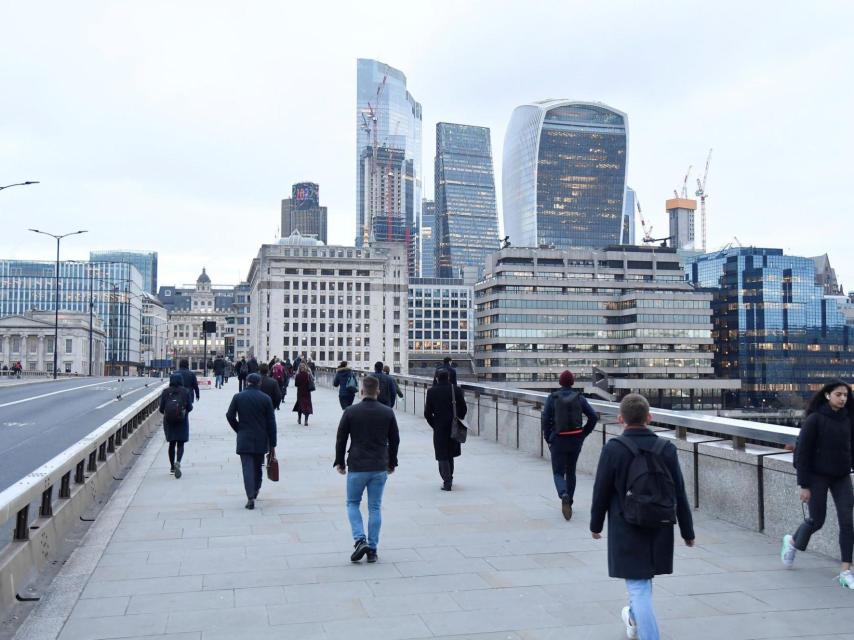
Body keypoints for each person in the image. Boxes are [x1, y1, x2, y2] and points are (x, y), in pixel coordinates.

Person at [590, 393, 694, 640]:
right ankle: (634, 617)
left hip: (626, 526)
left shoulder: (614, 449)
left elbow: (601, 491)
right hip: (659, 526)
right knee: (643, 584)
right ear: (649, 417)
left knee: (638, 586)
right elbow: (679, 491)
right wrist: (687, 531)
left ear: (620, 419)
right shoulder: (665, 448)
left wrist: (596, 525)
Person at [781, 380, 854, 588]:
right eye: (839, 394)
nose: (843, 399)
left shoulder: (849, 419)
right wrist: (803, 485)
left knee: (847, 522)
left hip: (841, 476)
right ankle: (793, 542)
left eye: (846, 395)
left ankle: (845, 570)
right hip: (817, 476)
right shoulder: (815, 420)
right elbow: (802, 454)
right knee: (817, 520)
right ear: (827, 395)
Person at [334, 375, 399, 564]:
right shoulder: (387, 412)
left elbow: (341, 439)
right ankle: (372, 549)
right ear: (377, 391)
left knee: (352, 503)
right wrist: (392, 462)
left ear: (361, 391)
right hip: (379, 465)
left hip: (357, 464)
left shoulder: (350, 411)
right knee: (375, 507)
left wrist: (340, 461)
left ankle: (359, 539)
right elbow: (395, 440)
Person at [541, 370, 599, 520]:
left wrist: (548, 438)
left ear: (560, 382)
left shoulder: (552, 398)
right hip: (575, 440)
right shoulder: (580, 398)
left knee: (558, 472)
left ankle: (563, 494)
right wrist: (583, 433)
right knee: (571, 471)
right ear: (572, 382)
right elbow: (593, 416)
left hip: (558, 440)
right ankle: (570, 502)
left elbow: (545, 419)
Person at [226, 373, 277, 510]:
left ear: (247, 382)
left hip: (244, 437)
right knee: (258, 466)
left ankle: (250, 497)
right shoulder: (266, 399)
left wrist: (239, 429)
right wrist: (273, 443)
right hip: (261, 438)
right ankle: (256, 489)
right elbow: (271, 423)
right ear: (259, 383)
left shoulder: (238, 397)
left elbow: (229, 415)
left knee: (247, 468)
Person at [424, 369, 467, 491]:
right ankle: (450, 478)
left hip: (439, 426)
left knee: (442, 453)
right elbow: (463, 408)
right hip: (453, 425)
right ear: (448, 377)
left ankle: (447, 480)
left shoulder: (431, 392)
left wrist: (434, 424)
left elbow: (427, 413)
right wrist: (458, 420)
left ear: (437, 378)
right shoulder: (456, 390)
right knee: (450, 453)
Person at [158, 372, 192, 478]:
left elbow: (161, 409)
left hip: (169, 422)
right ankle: (178, 461)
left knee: (171, 444)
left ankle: (172, 467)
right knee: (180, 444)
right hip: (182, 421)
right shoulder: (185, 392)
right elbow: (190, 407)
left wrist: (169, 414)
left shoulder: (165, 392)